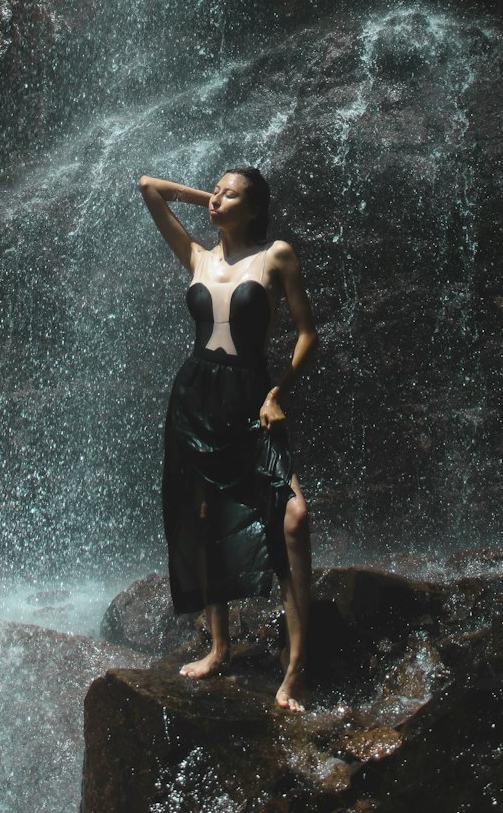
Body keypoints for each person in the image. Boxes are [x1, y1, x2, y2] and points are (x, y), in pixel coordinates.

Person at [137, 166, 318, 712]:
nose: (215, 199)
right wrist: (212, 201)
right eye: (214, 190)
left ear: (256, 208)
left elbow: (308, 331)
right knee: (202, 518)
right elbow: (149, 186)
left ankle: (296, 668)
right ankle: (219, 647)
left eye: (229, 194)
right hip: (194, 401)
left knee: (293, 518)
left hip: (251, 400)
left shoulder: (275, 256)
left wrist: (277, 393)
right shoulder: (196, 256)